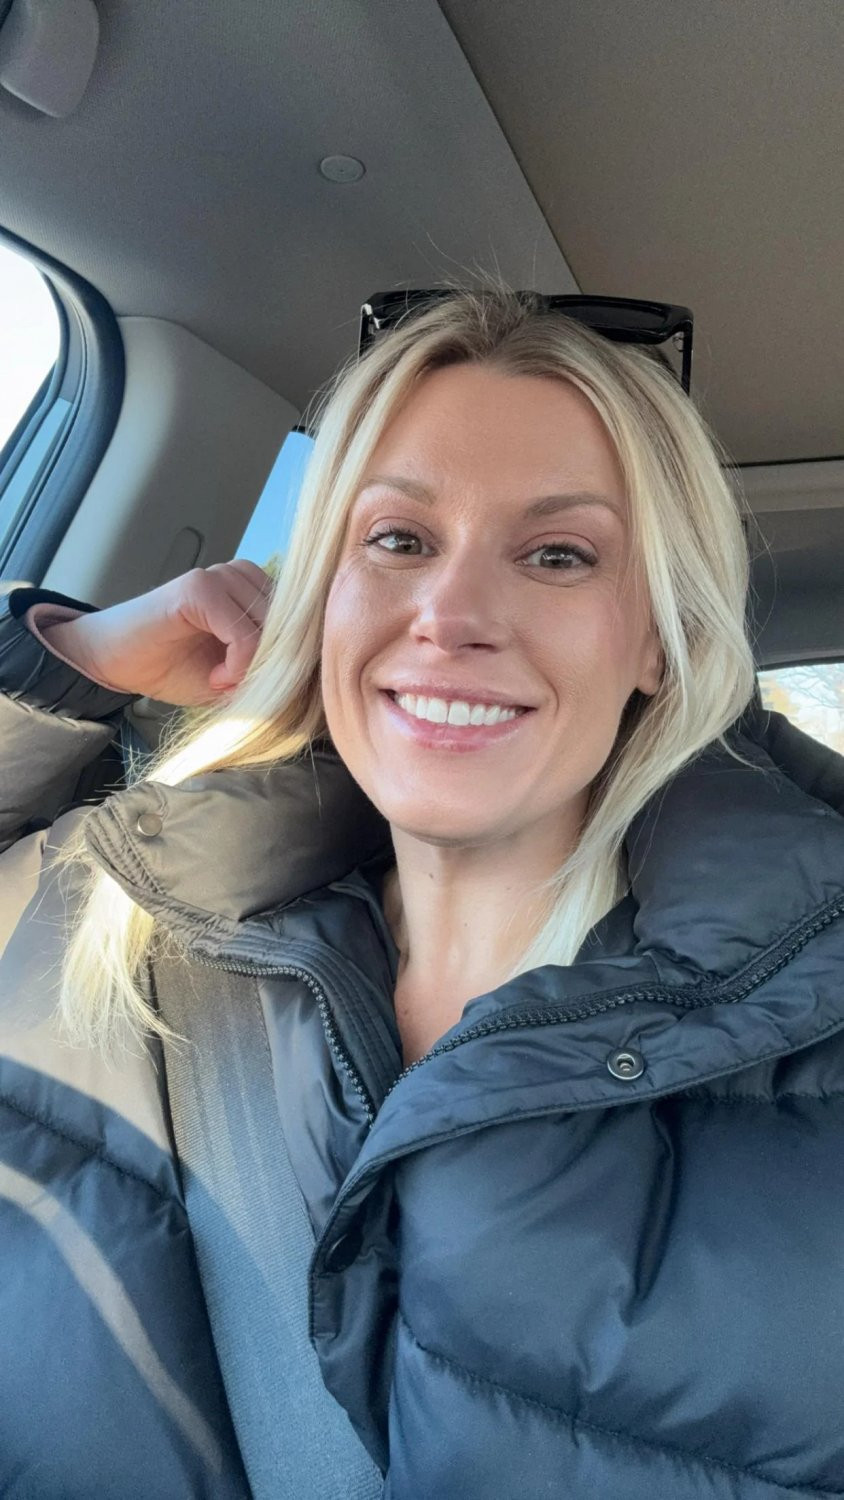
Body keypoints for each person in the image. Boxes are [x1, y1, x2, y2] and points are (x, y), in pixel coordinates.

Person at [1, 284, 843, 1500]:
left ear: (656, 640)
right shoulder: (116, 921)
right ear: (318, 595)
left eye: (557, 555)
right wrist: (74, 663)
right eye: (396, 540)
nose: (449, 617)